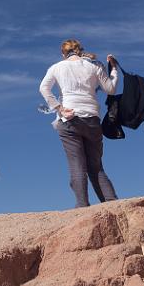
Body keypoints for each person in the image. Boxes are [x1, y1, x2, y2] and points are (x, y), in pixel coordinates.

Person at [39, 39, 119, 207]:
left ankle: (82, 207)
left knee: (77, 166)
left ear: (63, 53)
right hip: (92, 119)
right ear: (80, 50)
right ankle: (113, 205)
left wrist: (59, 108)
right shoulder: (94, 65)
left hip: (69, 119)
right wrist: (114, 70)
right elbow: (111, 89)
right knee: (96, 167)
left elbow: (43, 88)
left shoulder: (57, 67)